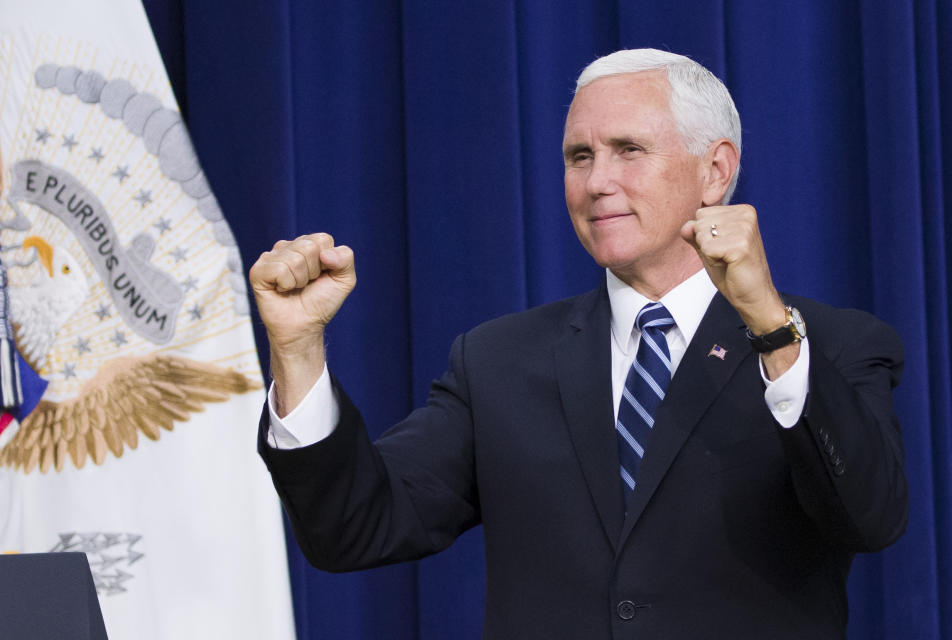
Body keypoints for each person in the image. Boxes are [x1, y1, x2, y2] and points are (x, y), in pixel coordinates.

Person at [250, 49, 907, 639]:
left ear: (715, 171)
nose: (596, 183)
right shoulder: (498, 361)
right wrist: (299, 347)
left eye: (629, 149)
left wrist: (770, 327)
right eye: (579, 156)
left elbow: (869, 518)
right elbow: (354, 528)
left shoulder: (834, 346)